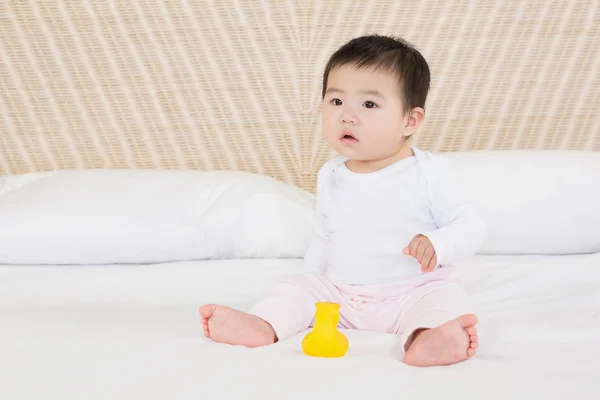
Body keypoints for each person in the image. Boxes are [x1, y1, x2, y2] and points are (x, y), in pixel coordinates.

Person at [200, 34, 486, 367]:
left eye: (369, 104)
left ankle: (427, 339)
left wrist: (438, 243)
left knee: (445, 300)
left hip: (413, 291)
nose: (347, 116)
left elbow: (471, 223)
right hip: (341, 297)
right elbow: (324, 233)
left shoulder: (430, 172)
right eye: (336, 102)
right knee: (291, 288)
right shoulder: (332, 174)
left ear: (410, 120)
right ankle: (264, 324)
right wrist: (311, 281)